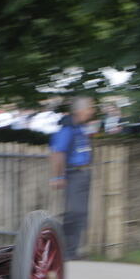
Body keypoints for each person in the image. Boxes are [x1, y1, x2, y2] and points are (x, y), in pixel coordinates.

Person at [50, 96, 96, 259]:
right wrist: (58, 177)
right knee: (74, 212)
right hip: (73, 174)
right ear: (79, 110)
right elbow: (58, 153)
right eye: (89, 108)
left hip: (83, 173)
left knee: (80, 213)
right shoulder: (67, 128)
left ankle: (71, 251)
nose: (92, 111)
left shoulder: (79, 127)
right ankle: (62, 250)